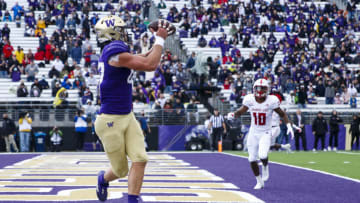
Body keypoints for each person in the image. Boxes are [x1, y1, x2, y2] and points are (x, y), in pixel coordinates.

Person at [94, 16, 169, 203]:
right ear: (112, 33)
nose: (125, 33)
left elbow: (142, 58)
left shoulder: (114, 52)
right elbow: (150, 65)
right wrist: (159, 39)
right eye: (122, 30)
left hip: (127, 115)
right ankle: (102, 179)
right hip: (110, 120)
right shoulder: (113, 51)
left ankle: (133, 200)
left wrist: (157, 39)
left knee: (141, 158)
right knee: (120, 170)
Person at [228, 78, 294, 189]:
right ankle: (259, 181)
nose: (260, 91)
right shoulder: (249, 99)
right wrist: (233, 114)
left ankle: (265, 165)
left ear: (267, 89)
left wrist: (288, 125)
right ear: (254, 89)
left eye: (263, 88)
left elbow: (282, 114)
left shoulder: (272, 100)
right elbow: (240, 111)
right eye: (258, 88)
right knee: (251, 159)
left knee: (263, 155)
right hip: (254, 131)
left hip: (266, 131)